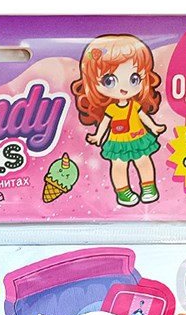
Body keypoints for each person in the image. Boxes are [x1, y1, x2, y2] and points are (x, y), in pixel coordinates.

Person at [72, 35, 167, 206]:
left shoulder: (135, 105)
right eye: (109, 81)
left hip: (138, 137)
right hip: (117, 141)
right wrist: (98, 136)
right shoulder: (111, 109)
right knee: (119, 165)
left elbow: (144, 117)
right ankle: (123, 192)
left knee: (144, 161)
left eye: (134, 79)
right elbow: (104, 123)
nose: (124, 88)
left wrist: (154, 127)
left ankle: (148, 187)